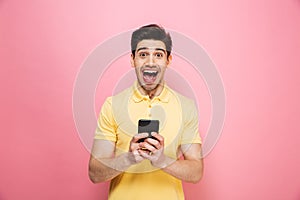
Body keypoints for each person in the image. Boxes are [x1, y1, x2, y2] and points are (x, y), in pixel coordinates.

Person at [89, 24, 203, 200]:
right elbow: (95, 173)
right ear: (133, 59)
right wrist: (129, 158)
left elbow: (196, 172)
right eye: (143, 54)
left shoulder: (186, 106)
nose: (150, 62)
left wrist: (161, 161)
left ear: (168, 60)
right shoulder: (112, 105)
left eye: (158, 55)